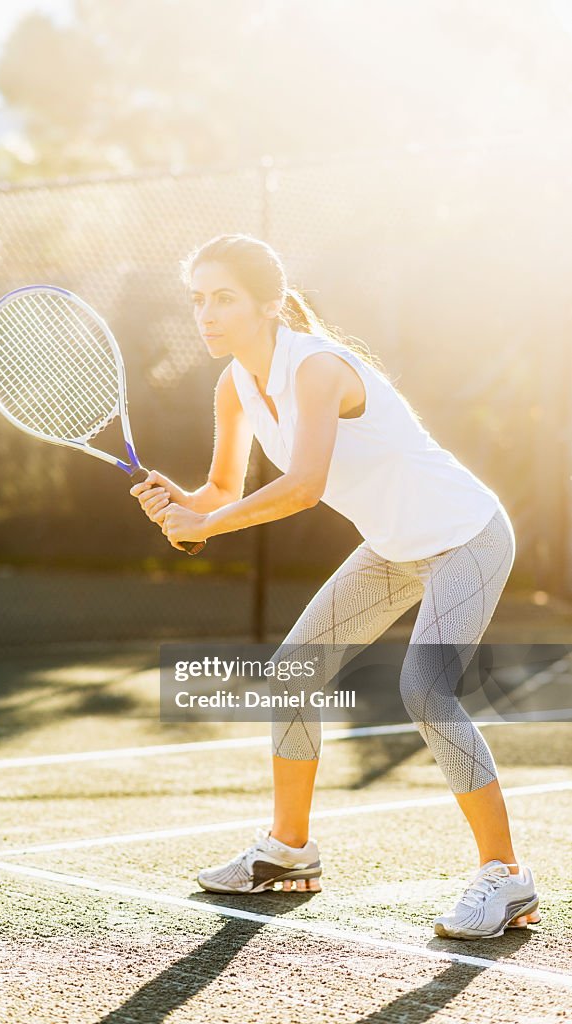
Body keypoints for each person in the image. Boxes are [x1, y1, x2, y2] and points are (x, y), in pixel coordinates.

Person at [130, 233, 540, 940]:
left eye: (223, 297)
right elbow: (223, 489)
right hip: (391, 546)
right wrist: (182, 503)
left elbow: (302, 485)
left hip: (465, 535)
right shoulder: (233, 385)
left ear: (267, 304)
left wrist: (212, 523)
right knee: (294, 673)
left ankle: (505, 877)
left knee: (425, 687)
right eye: (198, 300)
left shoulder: (316, 369)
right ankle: (288, 850)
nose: (206, 314)